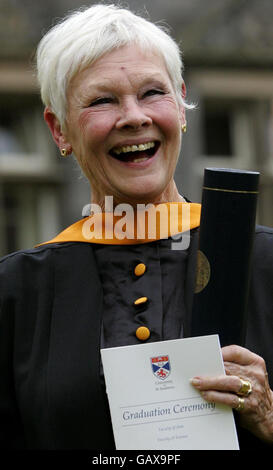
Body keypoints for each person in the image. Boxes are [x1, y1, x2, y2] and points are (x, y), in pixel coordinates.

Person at [0, 4, 272, 450]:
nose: (134, 117)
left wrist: (269, 415)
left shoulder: (264, 263)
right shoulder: (15, 293)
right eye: (102, 100)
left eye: (151, 93)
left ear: (181, 105)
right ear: (59, 130)